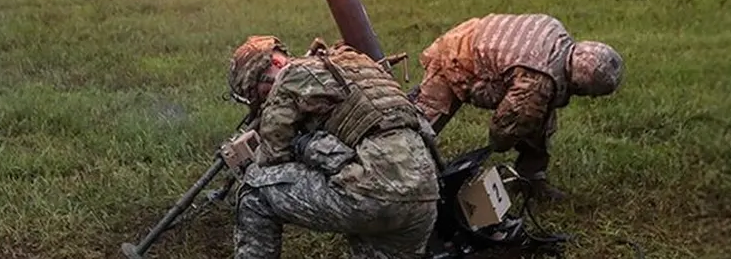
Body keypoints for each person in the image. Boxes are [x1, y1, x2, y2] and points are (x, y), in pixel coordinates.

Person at [226, 35, 440, 259]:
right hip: (424, 196)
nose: (266, 100)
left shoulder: (289, 76)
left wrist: (299, 145)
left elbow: (273, 155)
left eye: (261, 93)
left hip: (372, 196)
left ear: (277, 63)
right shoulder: (357, 64)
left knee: (255, 189)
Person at [410, 13, 623, 202]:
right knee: (421, 126)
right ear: (581, 85)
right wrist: (510, 133)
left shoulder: (557, 33)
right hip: (455, 57)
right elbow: (504, 130)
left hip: (471, 35)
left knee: (539, 118)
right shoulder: (539, 79)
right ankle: (402, 177)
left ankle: (529, 179)